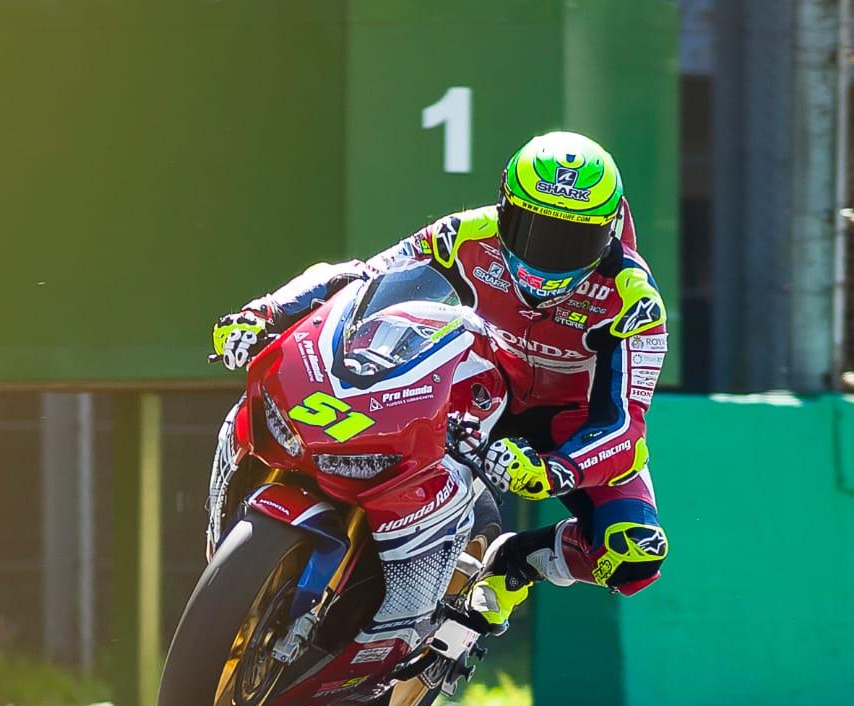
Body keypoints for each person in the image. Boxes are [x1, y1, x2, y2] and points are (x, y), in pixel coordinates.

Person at [211, 131, 669, 632]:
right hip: (476, 381)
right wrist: (265, 313)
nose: (547, 257)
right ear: (504, 208)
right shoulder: (466, 235)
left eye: (571, 240)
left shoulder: (634, 300)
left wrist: (552, 471)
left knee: (635, 551)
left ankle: (516, 565)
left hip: (569, 422)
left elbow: (625, 428)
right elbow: (363, 279)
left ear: (606, 234)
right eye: (532, 230)